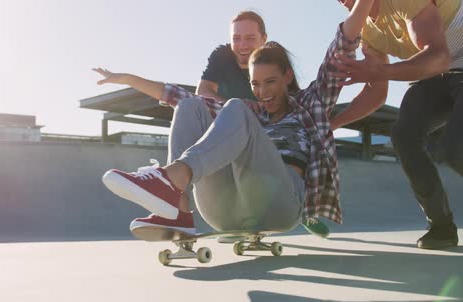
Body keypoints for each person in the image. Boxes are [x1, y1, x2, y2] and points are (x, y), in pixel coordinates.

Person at [94, 0, 374, 239]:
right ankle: (176, 210)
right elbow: (174, 95)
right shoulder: (249, 113)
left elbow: (342, 47)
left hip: (280, 206)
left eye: (270, 82)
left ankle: (170, 179)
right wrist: (127, 79)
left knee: (235, 107)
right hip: (225, 211)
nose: (262, 93)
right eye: (255, 84)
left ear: (288, 77)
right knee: (190, 105)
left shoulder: (309, 104)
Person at [331, 0, 461, 249]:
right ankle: (441, 226)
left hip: (444, 61)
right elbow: (377, 92)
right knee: (404, 135)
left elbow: (438, 55)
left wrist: (379, 71)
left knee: (457, 148)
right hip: (437, 75)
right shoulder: (367, 30)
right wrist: (334, 123)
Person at [198, 10, 330, 238]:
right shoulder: (222, 56)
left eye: (250, 39)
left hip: (272, 122)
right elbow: (203, 91)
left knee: (289, 151)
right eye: (236, 39)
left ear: (263, 40)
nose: (242, 46)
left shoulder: (271, 61)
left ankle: (304, 210)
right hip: (237, 120)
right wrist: (235, 105)